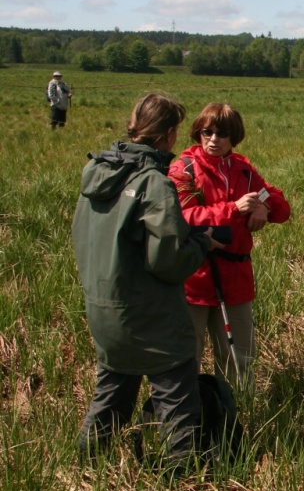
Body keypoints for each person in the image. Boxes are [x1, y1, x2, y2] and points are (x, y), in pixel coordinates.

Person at [72, 93, 219, 468]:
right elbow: (168, 261)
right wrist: (201, 242)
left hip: (105, 311)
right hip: (152, 317)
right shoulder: (154, 183)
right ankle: (182, 482)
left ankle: (85, 470)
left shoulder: (96, 175)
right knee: (178, 404)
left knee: (111, 395)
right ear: (169, 134)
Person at [168, 103, 290, 392]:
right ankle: (187, 420)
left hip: (235, 277)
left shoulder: (243, 170)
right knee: (185, 358)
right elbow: (182, 219)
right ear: (198, 133)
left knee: (239, 359)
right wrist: (233, 209)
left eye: (222, 134)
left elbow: (282, 208)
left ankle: (235, 415)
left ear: (234, 137)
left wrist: (263, 206)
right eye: (207, 132)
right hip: (193, 278)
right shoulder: (182, 170)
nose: (213, 139)